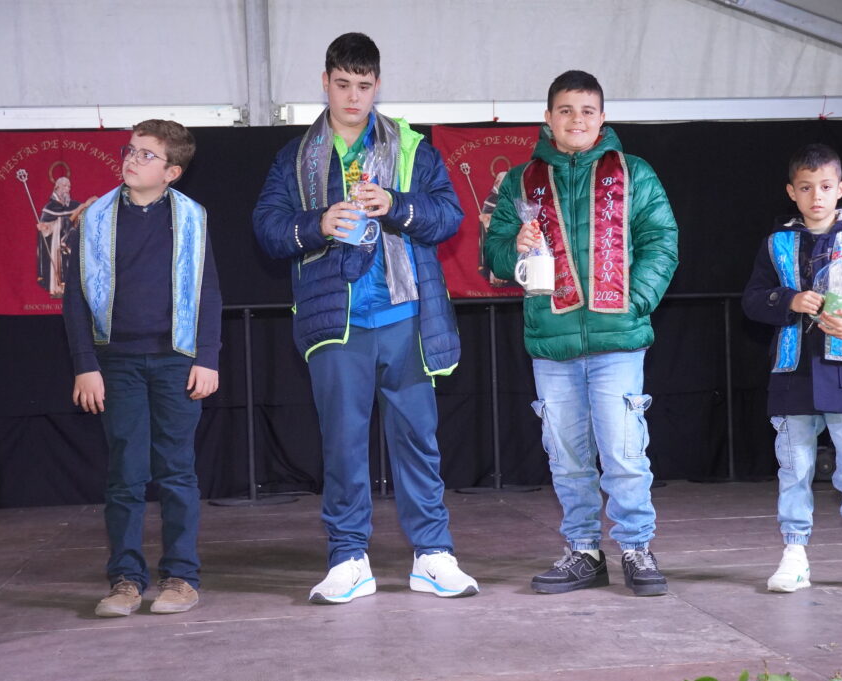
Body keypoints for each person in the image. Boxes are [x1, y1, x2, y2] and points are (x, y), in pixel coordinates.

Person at [253, 32, 478, 604]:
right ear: (325, 83)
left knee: (418, 440)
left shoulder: (412, 147)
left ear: (378, 85)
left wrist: (397, 205)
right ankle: (348, 558)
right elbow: (268, 227)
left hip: (406, 315)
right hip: (336, 322)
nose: (354, 97)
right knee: (343, 445)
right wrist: (317, 224)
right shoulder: (295, 156)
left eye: (364, 85)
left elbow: (449, 216)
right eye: (343, 84)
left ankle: (433, 555)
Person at [483, 70, 678, 596]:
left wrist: (636, 300)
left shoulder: (634, 172)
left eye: (587, 111)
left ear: (602, 118)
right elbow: (493, 254)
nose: (576, 120)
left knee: (623, 453)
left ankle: (636, 547)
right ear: (548, 117)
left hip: (619, 341)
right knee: (566, 457)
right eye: (566, 110)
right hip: (552, 341)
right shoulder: (521, 181)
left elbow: (662, 240)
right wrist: (515, 247)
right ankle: (584, 551)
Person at [63, 119, 222, 616]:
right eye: (130, 150)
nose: (132, 160)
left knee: (177, 470)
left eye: (146, 155)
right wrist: (86, 364)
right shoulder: (95, 218)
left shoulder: (192, 218)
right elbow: (75, 298)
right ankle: (125, 580)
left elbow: (208, 292)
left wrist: (207, 357)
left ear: (171, 172)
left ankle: (180, 577)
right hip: (118, 361)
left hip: (176, 360)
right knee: (126, 474)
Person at [742, 143, 842, 593]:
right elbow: (752, 300)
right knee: (794, 468)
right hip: (792, 372)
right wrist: (788, 300)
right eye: (806, 187)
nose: (817, 196)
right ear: (791, 192)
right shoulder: (776, 242)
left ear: (841, 188)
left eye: (826, 186)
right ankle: (794, 556)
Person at [36, 176, 96, 297]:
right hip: (55, 244)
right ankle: (58, 288)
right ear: (56, 187)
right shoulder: (49, 208)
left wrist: (89, 206)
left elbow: (82, 217)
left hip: (70, 242)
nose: (67, 189)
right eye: (64, 186)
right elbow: (48, 228)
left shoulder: (73, 205)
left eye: (69, 186)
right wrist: (44, 227)